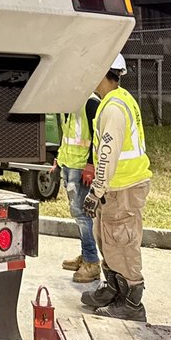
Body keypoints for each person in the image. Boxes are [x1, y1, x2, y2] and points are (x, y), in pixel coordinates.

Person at [80, 54, 151, 321]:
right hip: (118, 186)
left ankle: (131, 302)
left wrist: (96, 191)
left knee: (121, 242)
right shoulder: (116, 100)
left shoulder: (112, 109)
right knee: (107, 239)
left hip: (123, 187)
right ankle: (113, 289)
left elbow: (108, 154)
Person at [57, 93, 102, 283]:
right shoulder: (68, 102)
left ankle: (92, 261)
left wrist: (91, 164)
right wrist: (58, 159)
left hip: (82, 166)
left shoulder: (90, 103)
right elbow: (68, 136)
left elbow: (97, 138)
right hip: (69, 164)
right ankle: (86, 255)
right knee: (78, 213)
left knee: (82, 214)